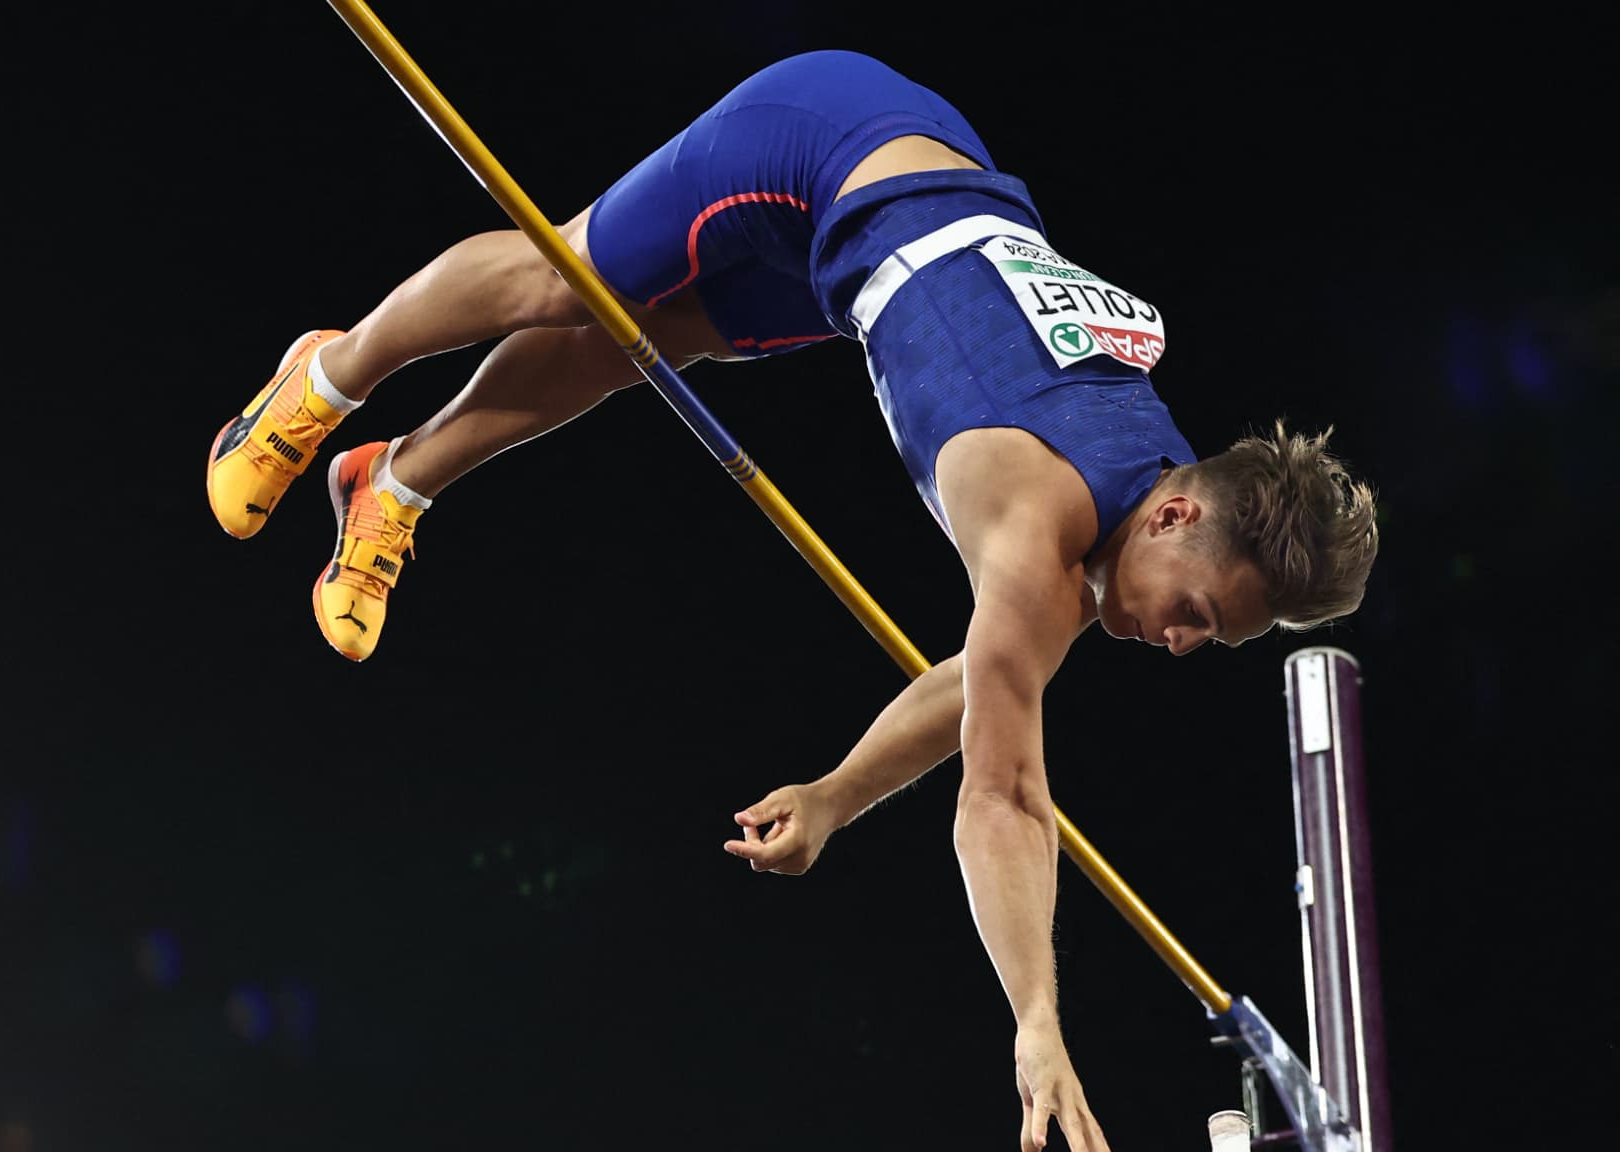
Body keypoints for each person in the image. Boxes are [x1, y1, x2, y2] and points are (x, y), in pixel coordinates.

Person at [203, 48, 1378, 1152]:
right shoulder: (1038, 530)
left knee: (637, 342)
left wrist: (834, 796)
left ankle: (390, 483)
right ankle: (320, 380)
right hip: (822, 141)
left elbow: (978, 680)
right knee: (561, 280)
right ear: (1175, 517)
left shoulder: (1139, 504)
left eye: (1206, 638)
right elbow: (1003, 791)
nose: (1176, 642)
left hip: (878, 238)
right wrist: (1035, 1020)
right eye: (1196, 614)